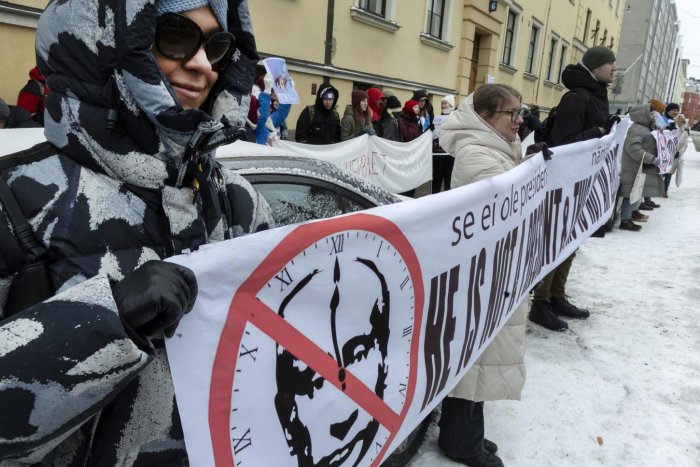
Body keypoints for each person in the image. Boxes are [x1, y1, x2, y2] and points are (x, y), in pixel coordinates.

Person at [0, 0, 272, 464]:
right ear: (104, 41)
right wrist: (108, 321)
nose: (203, 65)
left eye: (217, 45)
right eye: (175, 35)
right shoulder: (16, 199)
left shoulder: (239, 202)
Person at [437, 83, 529, 467]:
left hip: (494, 272)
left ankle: (467, 433)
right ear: (486, 117)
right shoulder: (478, 154)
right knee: (474, 361)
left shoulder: (494, 148)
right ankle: (461, 443)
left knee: (481, 358)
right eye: (512, 113)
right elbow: (513, 203)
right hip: (483, 277)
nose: (520, 120)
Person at [528, 45, 620, 332]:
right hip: (564, 182)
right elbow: (564, 142)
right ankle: (540, 302)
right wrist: (600, 133)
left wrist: (607, 129)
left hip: (582, 181)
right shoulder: (576, 98)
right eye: (610, 65)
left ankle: (557, 295)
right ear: (594, 67)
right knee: (557, 240)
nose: (614, 70)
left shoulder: (595, 96)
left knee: (572, 239)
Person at [618, 104, 658, 231]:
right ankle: (625, 220)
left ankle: (631, 214)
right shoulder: (637, 129)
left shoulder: (645, 128)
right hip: (633, 166)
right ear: (644, 114)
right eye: (651, 113)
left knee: (636, 191)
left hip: (640, 166)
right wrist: (651, 158)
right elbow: (633, 149)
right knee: (629, 193)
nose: (653, 115)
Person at [255, 73, 291, 145]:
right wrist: (266, 93)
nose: (276, 92)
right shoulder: (253, 117)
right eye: (273, 89)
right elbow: (261, 120)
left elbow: (281, 114)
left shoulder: (268, 121)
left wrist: (287, 94)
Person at [431, 94, 456, 193]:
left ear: (451, 105)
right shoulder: (437, 117)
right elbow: (432, 133)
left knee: (448, 179)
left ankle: (448, 201)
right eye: (442, 103)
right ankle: (433, 199)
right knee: (436, 178)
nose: (443, 105)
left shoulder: (455, 117)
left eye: (445, 103)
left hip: (450, 153)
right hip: (437, 153)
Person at [662, 103, 680, 196]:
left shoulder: (673, 122)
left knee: (668, 173)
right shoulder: (663, 120)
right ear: (668, 110)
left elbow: (674, 138)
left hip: (670, 152)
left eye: (677, 110)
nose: (675, 112)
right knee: (660, 173)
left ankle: (664, 191)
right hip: (662, 151)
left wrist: (675, 150)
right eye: (674, 110)